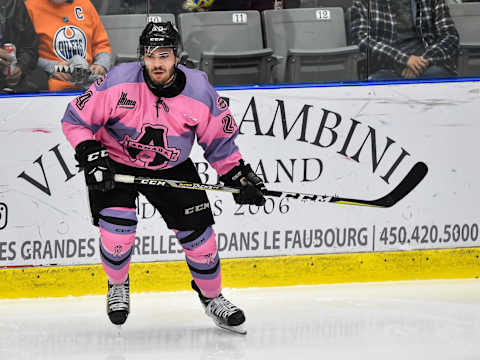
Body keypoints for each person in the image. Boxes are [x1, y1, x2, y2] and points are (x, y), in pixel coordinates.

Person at [60, 21, 266, 334]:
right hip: (116, 163)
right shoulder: (117, 81)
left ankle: (212, 299)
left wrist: (237, 175)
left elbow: (219, 143)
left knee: (202, 244)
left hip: (172, 166)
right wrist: (91, 153)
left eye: (164, 55)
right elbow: (75, 120)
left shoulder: (199, 89)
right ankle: (117, 284)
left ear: (177, 56)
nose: (157, 62)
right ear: (142, 56)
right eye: (151, 55)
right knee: (117, 236)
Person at [351, 0, 460, 80]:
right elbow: (362, 39)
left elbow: (450, 35)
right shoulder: (363, 2)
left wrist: (423, 62)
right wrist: (404, 60)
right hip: (386, 68)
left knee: (441, 77)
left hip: (428, 65)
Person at [25, 0, 112, 91]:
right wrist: (52, 67)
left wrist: (101, 64)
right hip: (52, 89)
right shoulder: (30, 7)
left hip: (90, 85)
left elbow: (101, 44)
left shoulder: (85, 4)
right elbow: (25, 53)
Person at [0, 0, 48, 93]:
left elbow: (30, 46)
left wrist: (20, 68)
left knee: (40, 80)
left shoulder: (14, 3)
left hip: (9, 87)